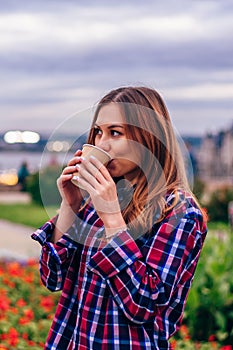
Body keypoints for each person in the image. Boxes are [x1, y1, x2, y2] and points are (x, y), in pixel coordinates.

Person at [31, 86, 207, 350]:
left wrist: (112, 216)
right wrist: (71, 205)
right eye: (98, 132)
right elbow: (52, 277)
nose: (102, 144)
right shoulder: (96, 201)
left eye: (115, 132)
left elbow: (143, 305)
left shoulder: (179, 211)